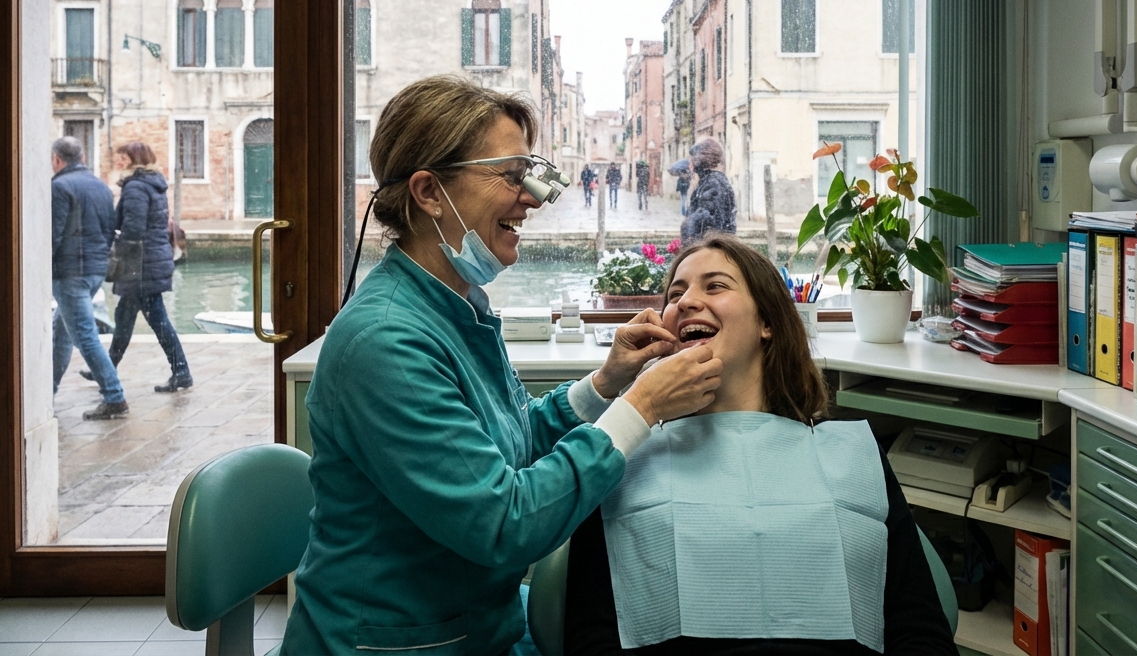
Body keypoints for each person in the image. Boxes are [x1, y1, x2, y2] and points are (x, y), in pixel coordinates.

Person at [281, 75, 723, 655]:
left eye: (532, 176)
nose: (534, 198)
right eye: (513, 176)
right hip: (396, 642)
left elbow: (509, 443)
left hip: (479, 622)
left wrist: (608, 383)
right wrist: (642, 407)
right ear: (429, 192)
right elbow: (504, 523)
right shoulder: (385, 342)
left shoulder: (456, 304)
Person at [563, 234, 958, 656]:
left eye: (715, 286)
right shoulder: (618, 458)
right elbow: (592, 640)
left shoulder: (852, 456)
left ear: (766, 322)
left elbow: (918, 631)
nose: (687, 302)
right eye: (675, 295)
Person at [95, 142, 192, 393]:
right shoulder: (152, 184)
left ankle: (181, 372)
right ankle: (106, 368)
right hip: (150, 260)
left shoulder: (136, 187)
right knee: (125, 317)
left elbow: (134, 229)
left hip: (141, 265)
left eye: (123, 157)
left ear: (134, 159)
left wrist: (115, 251)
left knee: (156, 320)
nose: (118, 161)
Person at [50, 136, 128, 420]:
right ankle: (46, 392)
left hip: (70, 272)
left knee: (84, 335)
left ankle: (114, 396)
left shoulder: (59, 186)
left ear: (57, 160)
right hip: (96, 270)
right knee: (62, 332)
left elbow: (53, 234)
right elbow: (110, 230)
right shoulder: (101, 186)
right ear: (82, 157)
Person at [681, 137, 736, 244]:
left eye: (692, 159)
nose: (690, 164)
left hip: (711, 247)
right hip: (717, 246)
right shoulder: (712, 180)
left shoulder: (712, 183)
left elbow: (708, 222)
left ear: (700, 160)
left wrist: (687, 226)